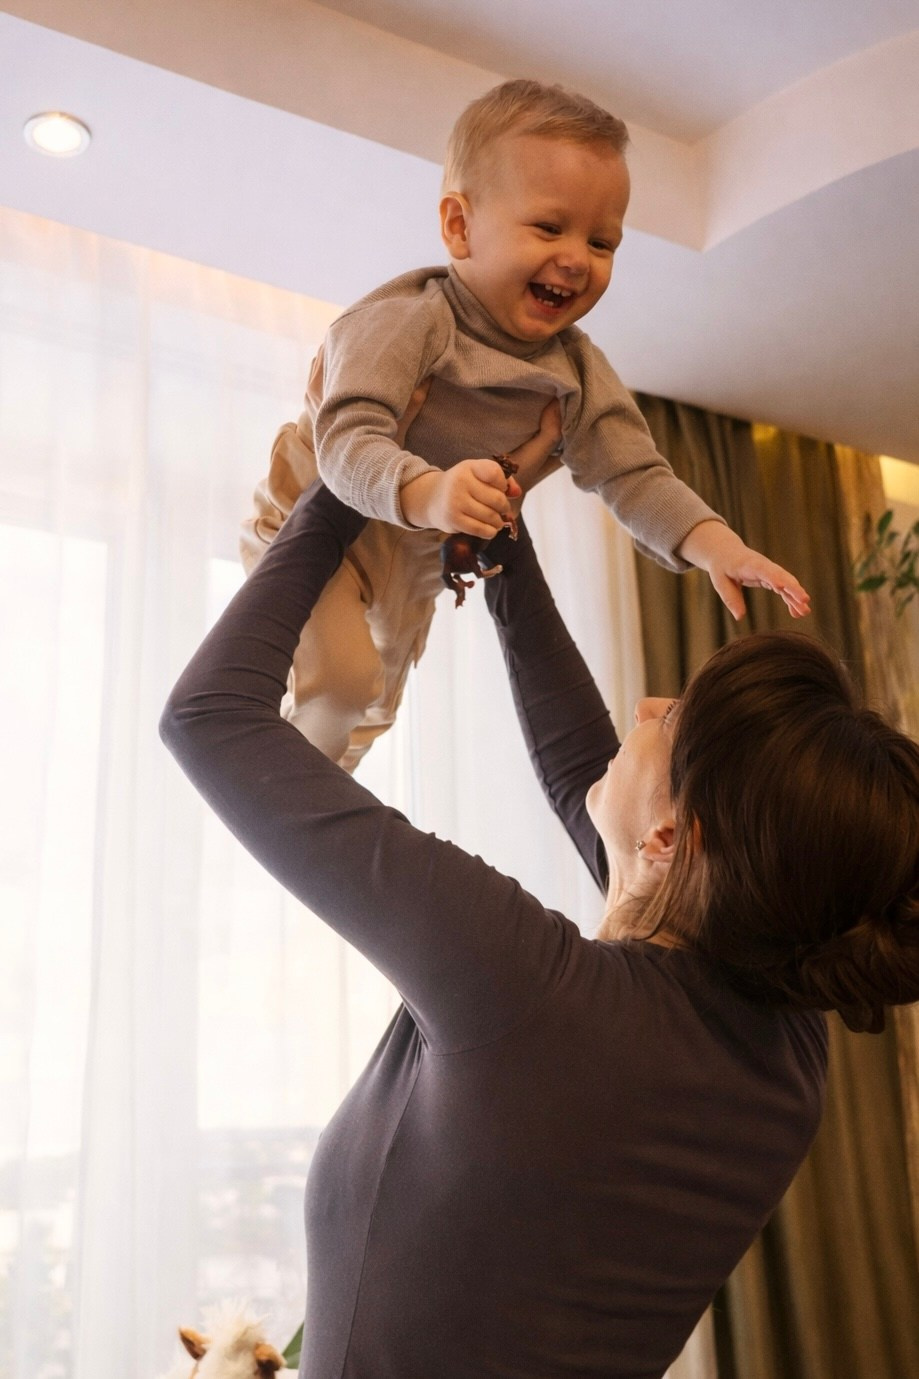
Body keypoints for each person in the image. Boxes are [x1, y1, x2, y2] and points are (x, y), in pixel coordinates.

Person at [161, 419, 919, 1379]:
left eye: (671, 718)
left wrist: (347, 480)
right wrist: (502, 547)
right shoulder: (781, 1035)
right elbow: (584, 772)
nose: (643, 710)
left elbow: (209, 720)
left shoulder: (527, 990)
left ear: (670, 841)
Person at [240, 78, 810, 771]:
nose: (577, 257)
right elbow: (348, 437)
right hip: (321, 515)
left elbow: (632, 472)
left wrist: (712, 544)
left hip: (416, 557)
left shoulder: (574, 369)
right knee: (338, 679)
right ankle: (269, 781)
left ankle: (314, 795)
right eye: (548, 226)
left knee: (372, 705)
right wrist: (427, 493)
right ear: (459, 227)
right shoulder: (408, 321)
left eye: (602, 242)